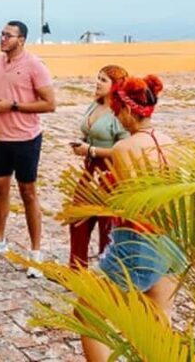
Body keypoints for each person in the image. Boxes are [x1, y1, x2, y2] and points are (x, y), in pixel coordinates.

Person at [84, 74, 178, 362]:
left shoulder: (125, 148)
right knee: (159, 316)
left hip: (137, 240)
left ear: (127, 110)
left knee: (89, 314)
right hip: (170, 239)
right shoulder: (169, 141)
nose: (117, 118)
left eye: (117, 111)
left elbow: (132, 201)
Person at [0, 21, 56, 278]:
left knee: (28, 192)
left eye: (8, 35)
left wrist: (13, 106)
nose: (3, 38)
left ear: (21, 40)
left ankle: (36, 253)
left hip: (26, 139)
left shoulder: (34, 66)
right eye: (2, 34)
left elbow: (50, 104)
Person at [68, 65, 129, 268]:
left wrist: (91, 150)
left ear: (115, 86)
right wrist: (82, 142)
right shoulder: (94, 105)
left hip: (110, 172)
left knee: (107, 224)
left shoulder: (120, 114)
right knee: (78, 217)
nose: (98, 83)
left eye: (103, 80)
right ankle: (77, 267)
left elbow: (124, 149)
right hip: (90, 171)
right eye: (98, 78)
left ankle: (107, 270)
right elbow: (88, 131)